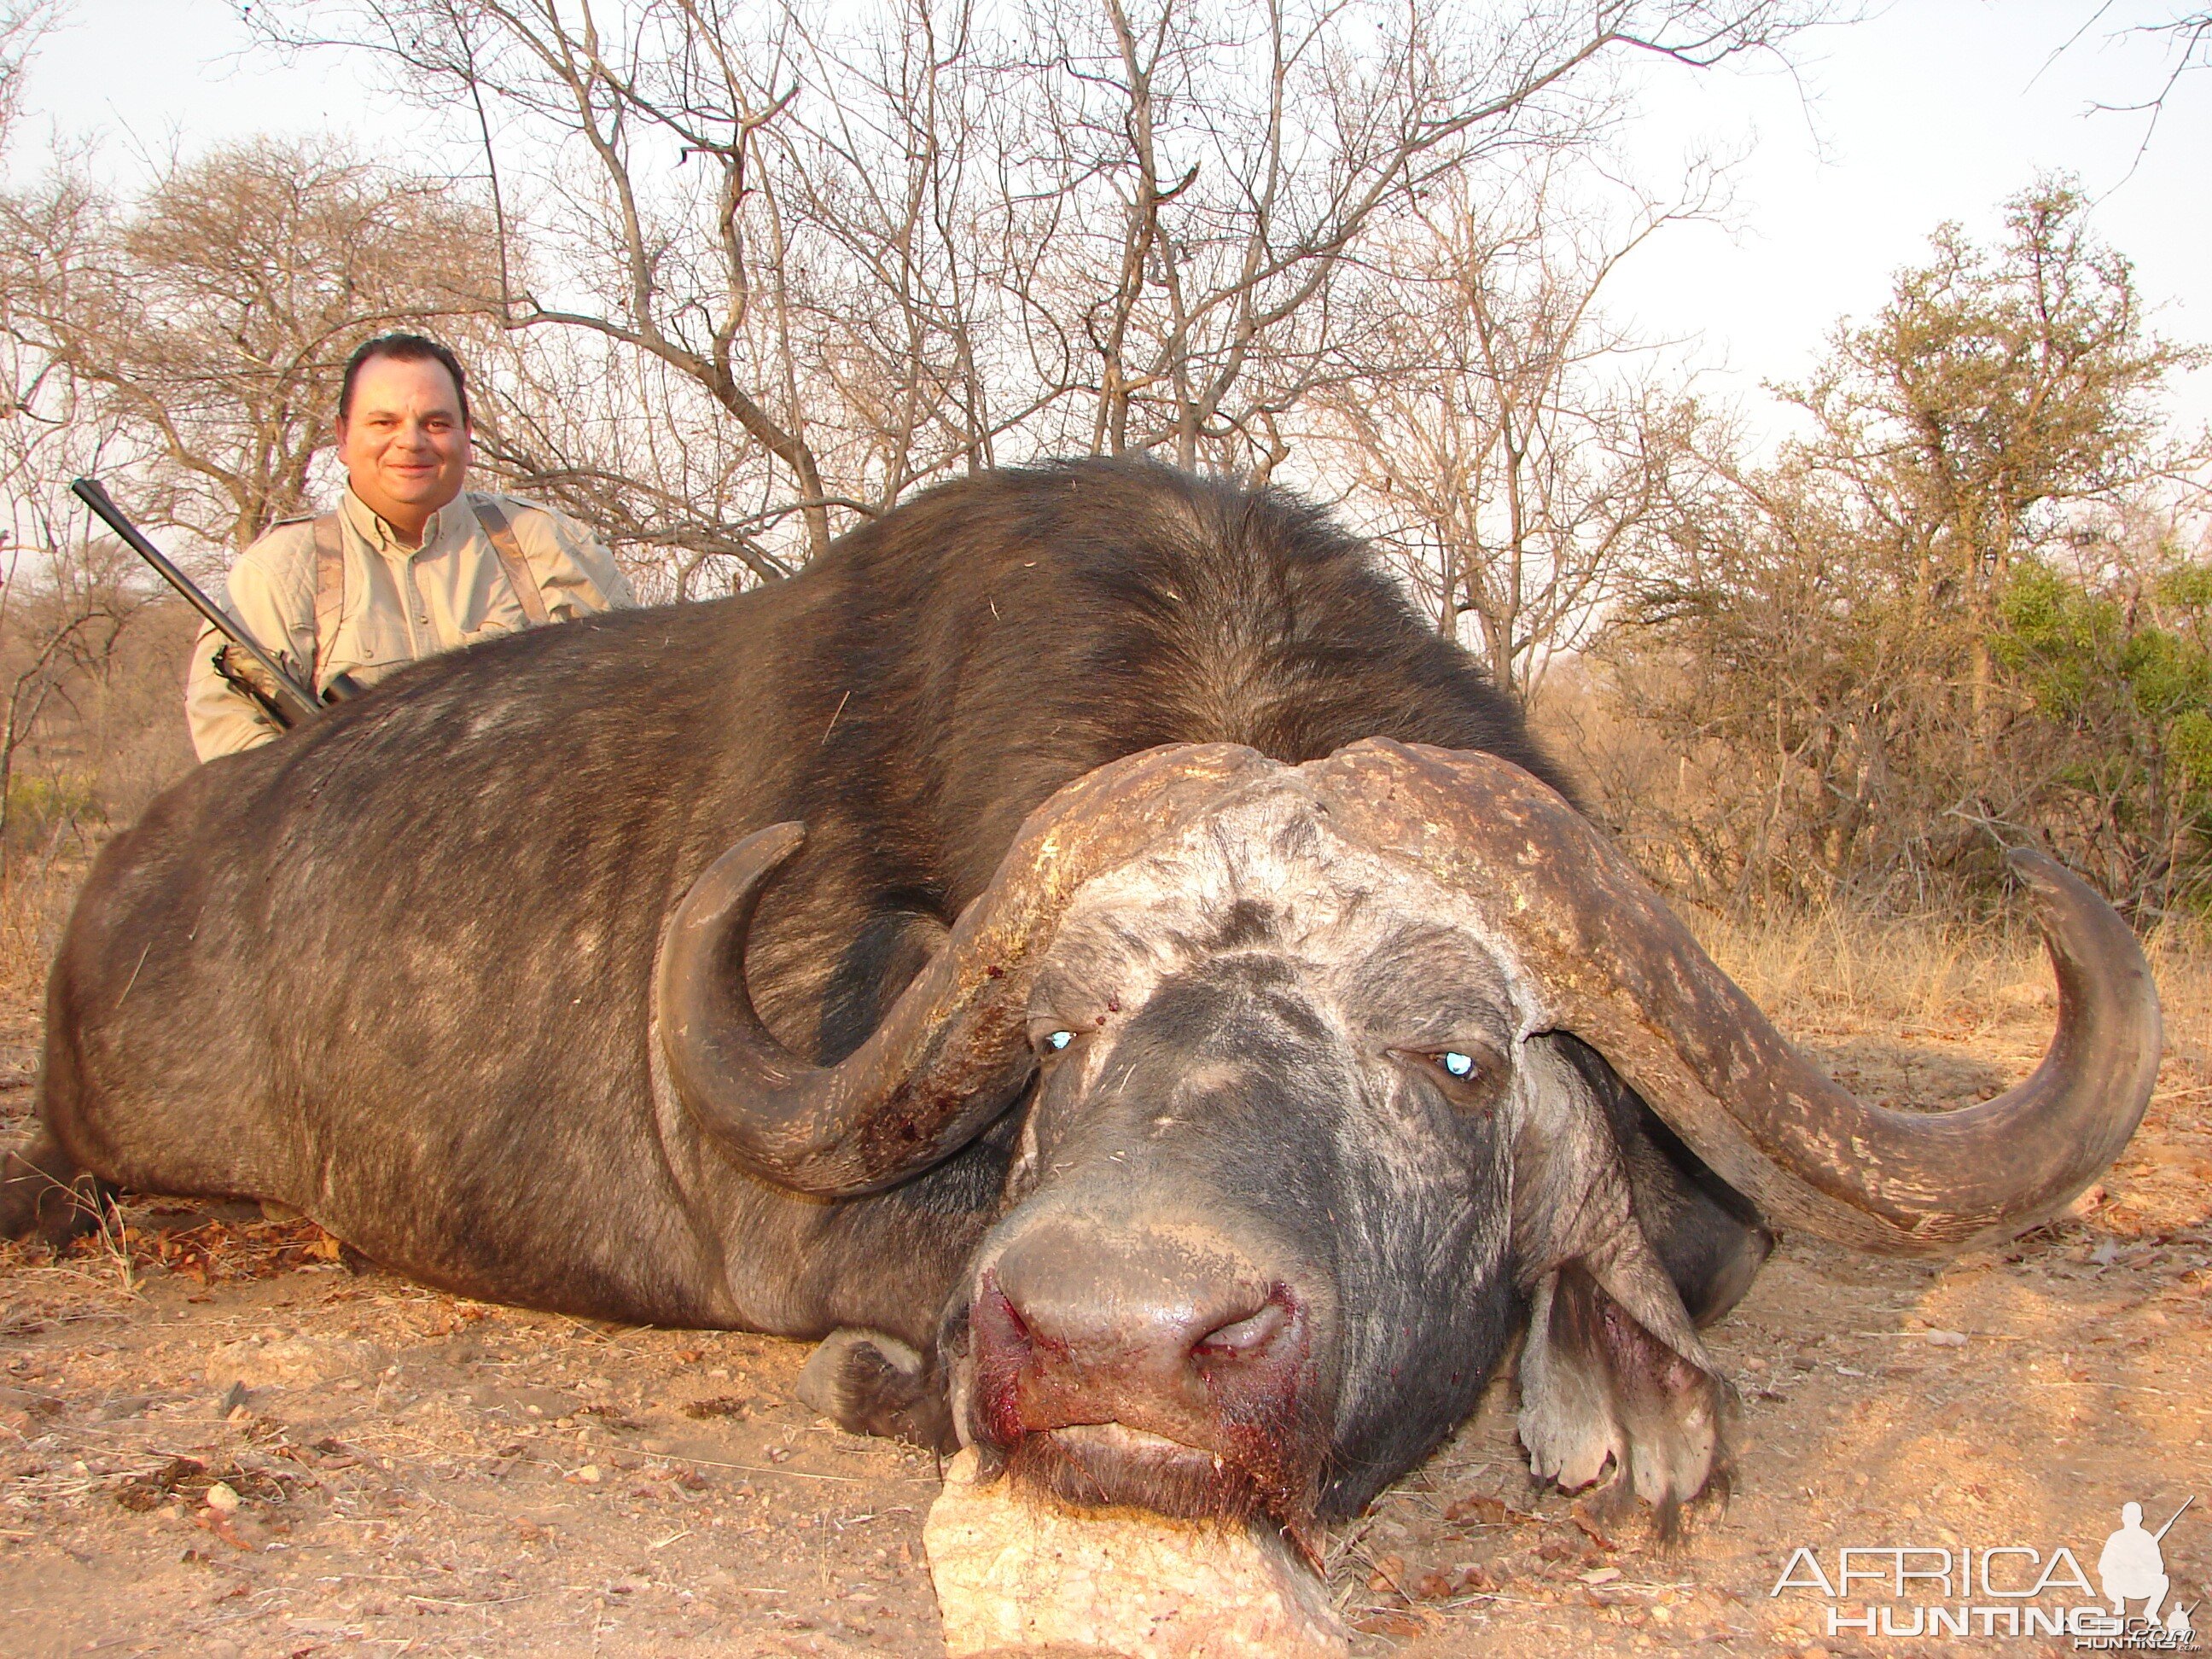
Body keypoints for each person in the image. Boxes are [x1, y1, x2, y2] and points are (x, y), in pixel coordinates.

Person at [186, 332, 635, 760]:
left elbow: (633, 708)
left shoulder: (552, 545)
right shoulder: (277, 573)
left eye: (435, 423)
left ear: (467, 435)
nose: (411, 441)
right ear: (342, 436)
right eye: (384, 422)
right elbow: (237, 767)